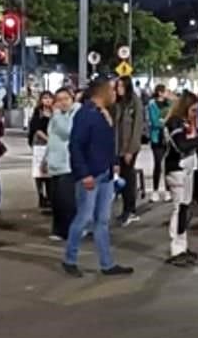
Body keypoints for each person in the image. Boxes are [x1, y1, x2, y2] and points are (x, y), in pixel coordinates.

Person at [62, 78, 133, 278]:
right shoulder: (86, 114)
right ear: (100, 92)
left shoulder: (104, 114)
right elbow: (76, 146)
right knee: (84, 218)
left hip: (106, 173)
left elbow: (105, 144)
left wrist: (113, 163)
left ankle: (107, 263)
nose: (115, 93)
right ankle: (70, 259)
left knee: (102, 220)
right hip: (91, 175)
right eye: (111, 89)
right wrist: (83, 174)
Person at [163, 93, 198, 266]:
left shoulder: (186, 123)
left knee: (185, 208)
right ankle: (177, 248)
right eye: (193, 109)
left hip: (187, 168)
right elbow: (181, 145)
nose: (195, 113)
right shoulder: (175, 122)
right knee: (179, 208)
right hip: (177, 169)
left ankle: (182, 245)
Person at [45, 88, 80, 241]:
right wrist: (45, 159)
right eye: (59, 99)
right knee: (56, 200)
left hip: (67, 163)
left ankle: (71, 230)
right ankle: (59, 230)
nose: (62, 102)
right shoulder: (57, 116)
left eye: (65, 98)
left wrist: (57, 114)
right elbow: (51, 138)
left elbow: (67, 131)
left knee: (67, 201)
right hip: (54, 163)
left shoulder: (75, 113)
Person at [113, 76, 144, 226]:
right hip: (117, 147)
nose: (119, 89)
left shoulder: (134, 102)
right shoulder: (117, 103)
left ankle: (130, 210)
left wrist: (130, 150)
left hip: (129, 147)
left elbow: (137, 127)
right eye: (117, 86)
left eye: (121, 86)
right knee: (121, 178)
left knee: (128, 177)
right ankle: (125, 209)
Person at [28, 91, 55, 211]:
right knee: (39, 172)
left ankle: (50, 197)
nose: (47, 101)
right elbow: (36, 128)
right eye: (45, 98)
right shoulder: (37, 112)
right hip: (40, 145)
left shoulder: (56, 112)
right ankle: (41, 196)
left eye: (49, 98)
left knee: (50, 172)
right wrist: (47, 139)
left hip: (53, 146)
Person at [147, 84, 172, 203]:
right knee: (157, 164)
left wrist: (165, 120)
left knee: (167, 165)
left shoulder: (170, 104)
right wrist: (164, 121)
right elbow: (154, 121)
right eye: (165, 91)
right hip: (157, 137)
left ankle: (167, 190)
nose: (167, 93)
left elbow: (172, 118)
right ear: (160, 93)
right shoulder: (152, 105)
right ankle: (155, 191)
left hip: (168, 137)